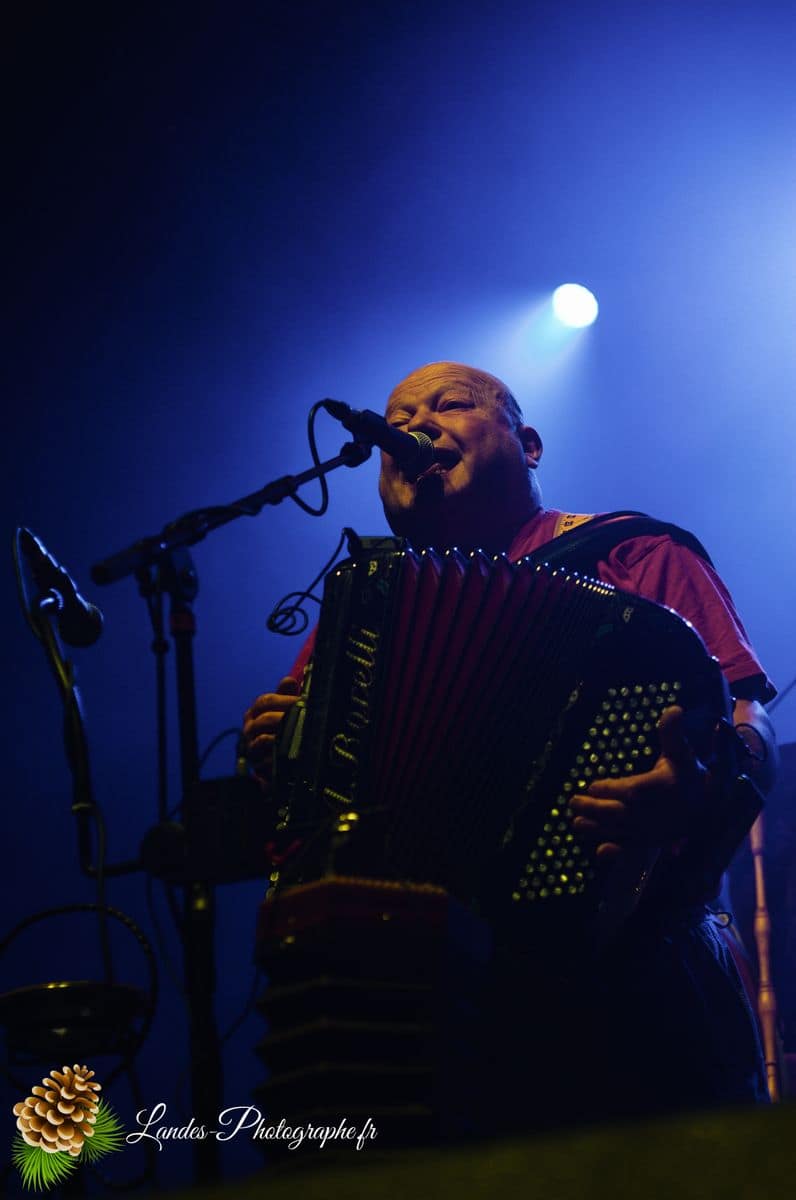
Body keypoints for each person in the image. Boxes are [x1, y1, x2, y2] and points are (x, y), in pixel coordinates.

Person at [243, 361, 777, 1127]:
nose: (416, 425)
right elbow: (297, 818)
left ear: (527, 444)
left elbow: (750, 718)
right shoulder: (355, 615)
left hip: (639, 971)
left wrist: (707, 784)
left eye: (451, 405)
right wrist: (278, 754)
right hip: (413, 1011)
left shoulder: (631, 552)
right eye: (401, 415)